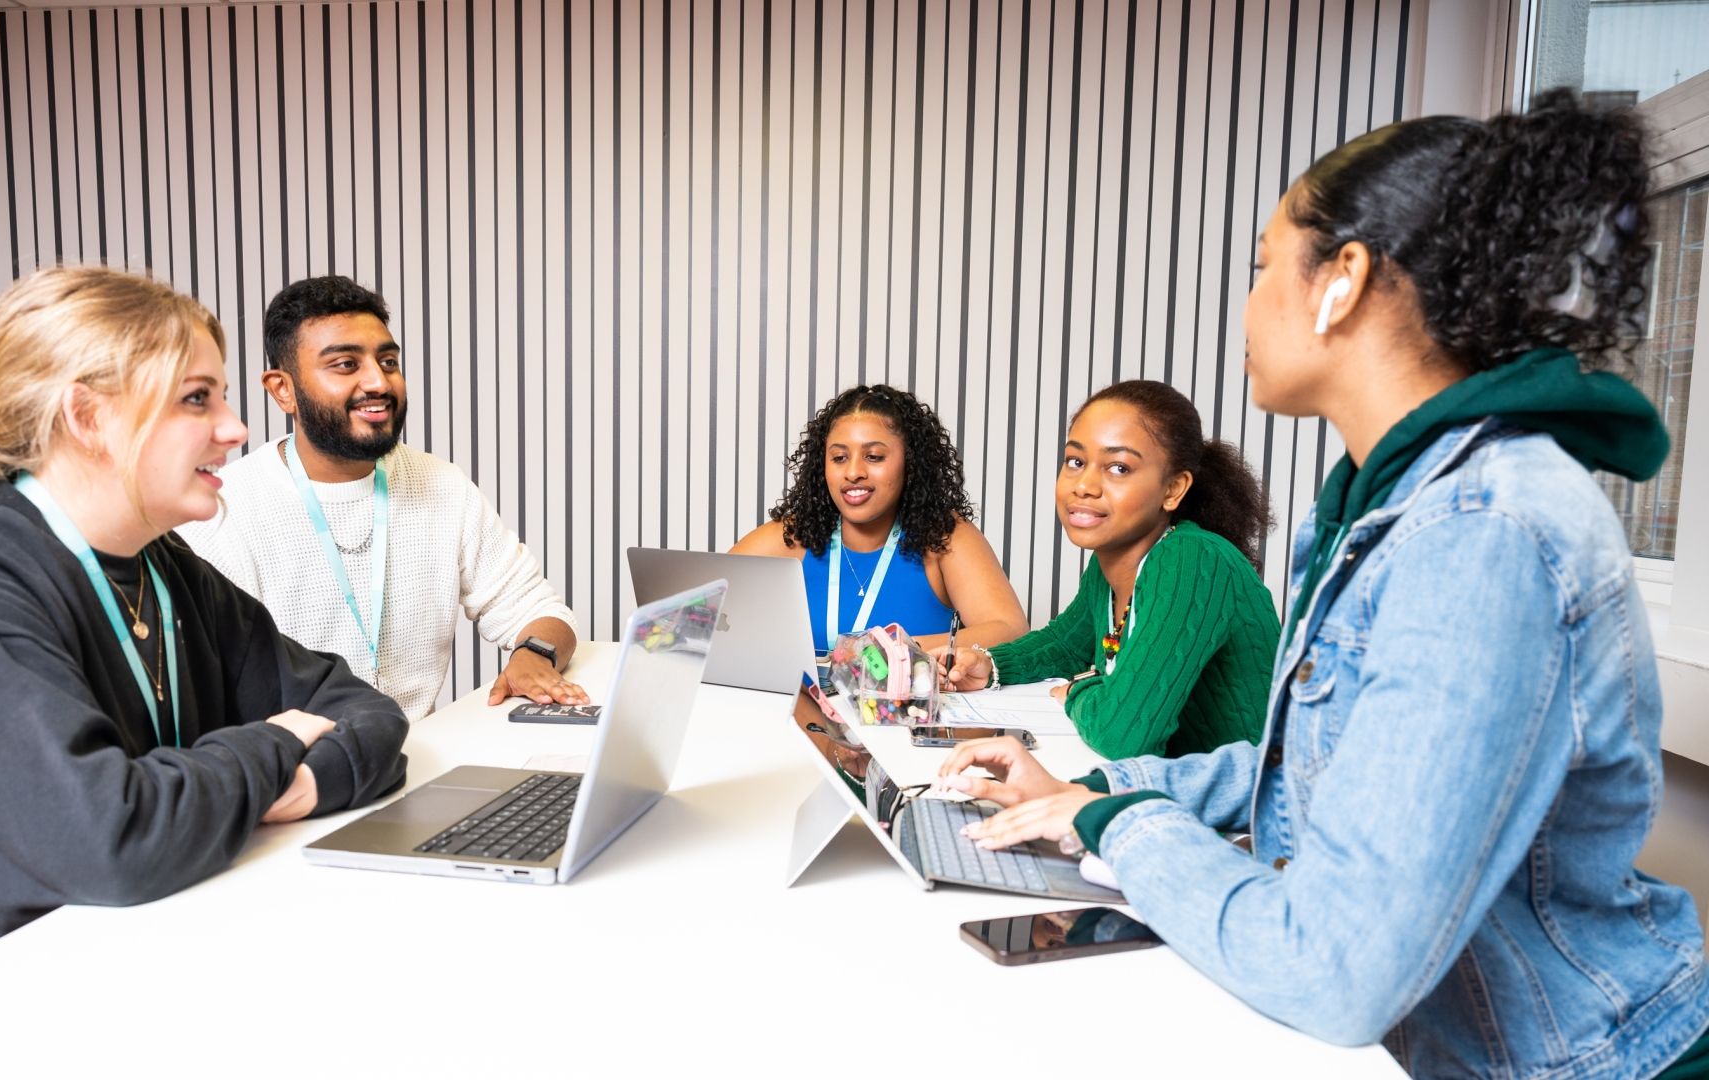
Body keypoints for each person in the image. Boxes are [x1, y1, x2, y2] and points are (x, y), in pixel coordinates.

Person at [935, 92, 1709, 1077]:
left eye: (1264, 268)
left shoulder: (1482, 534)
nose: (1251, 304)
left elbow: (1337, 973)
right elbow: (1308, 781)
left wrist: (1119, 823)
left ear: (1340, 280)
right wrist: (1090, 788)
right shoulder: (1372, 507)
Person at [0, 267, 408, 1037]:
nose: (236, 428)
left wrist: (305, 782)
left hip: (97, 949)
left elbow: (364, 713)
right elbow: (114, 841)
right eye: (197, 398)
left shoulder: (158, 565)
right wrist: (275, 744)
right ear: (87, 415)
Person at [179, 277, 582, 721]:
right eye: (346, 364)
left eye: (387, 361)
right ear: (282, 390)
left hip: (418, 763)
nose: (378, 382)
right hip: (296, 774)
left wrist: (534, 655)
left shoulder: (442, 485)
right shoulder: (223, 512)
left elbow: (539, 609)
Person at [942, 380, 1279, 759]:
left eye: (1119, 467)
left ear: (1173, 489)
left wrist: (1081, 689)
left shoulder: (1192, 558)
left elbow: (1124, 735)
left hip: (1246, 809)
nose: (1084, 485)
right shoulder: (1112, 562)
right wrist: (990, 664)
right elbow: (1067, 644)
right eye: (1075, 461)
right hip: (1172, 791)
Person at [730, 385, 1027, 655]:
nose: (853, 472)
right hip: (804, 711)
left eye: (873, 457)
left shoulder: (944, 537)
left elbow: (1010, 630)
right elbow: (700, 605)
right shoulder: (792, 537)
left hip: (902, 712)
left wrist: (894, 651)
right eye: (839, 458)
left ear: (910, 463)